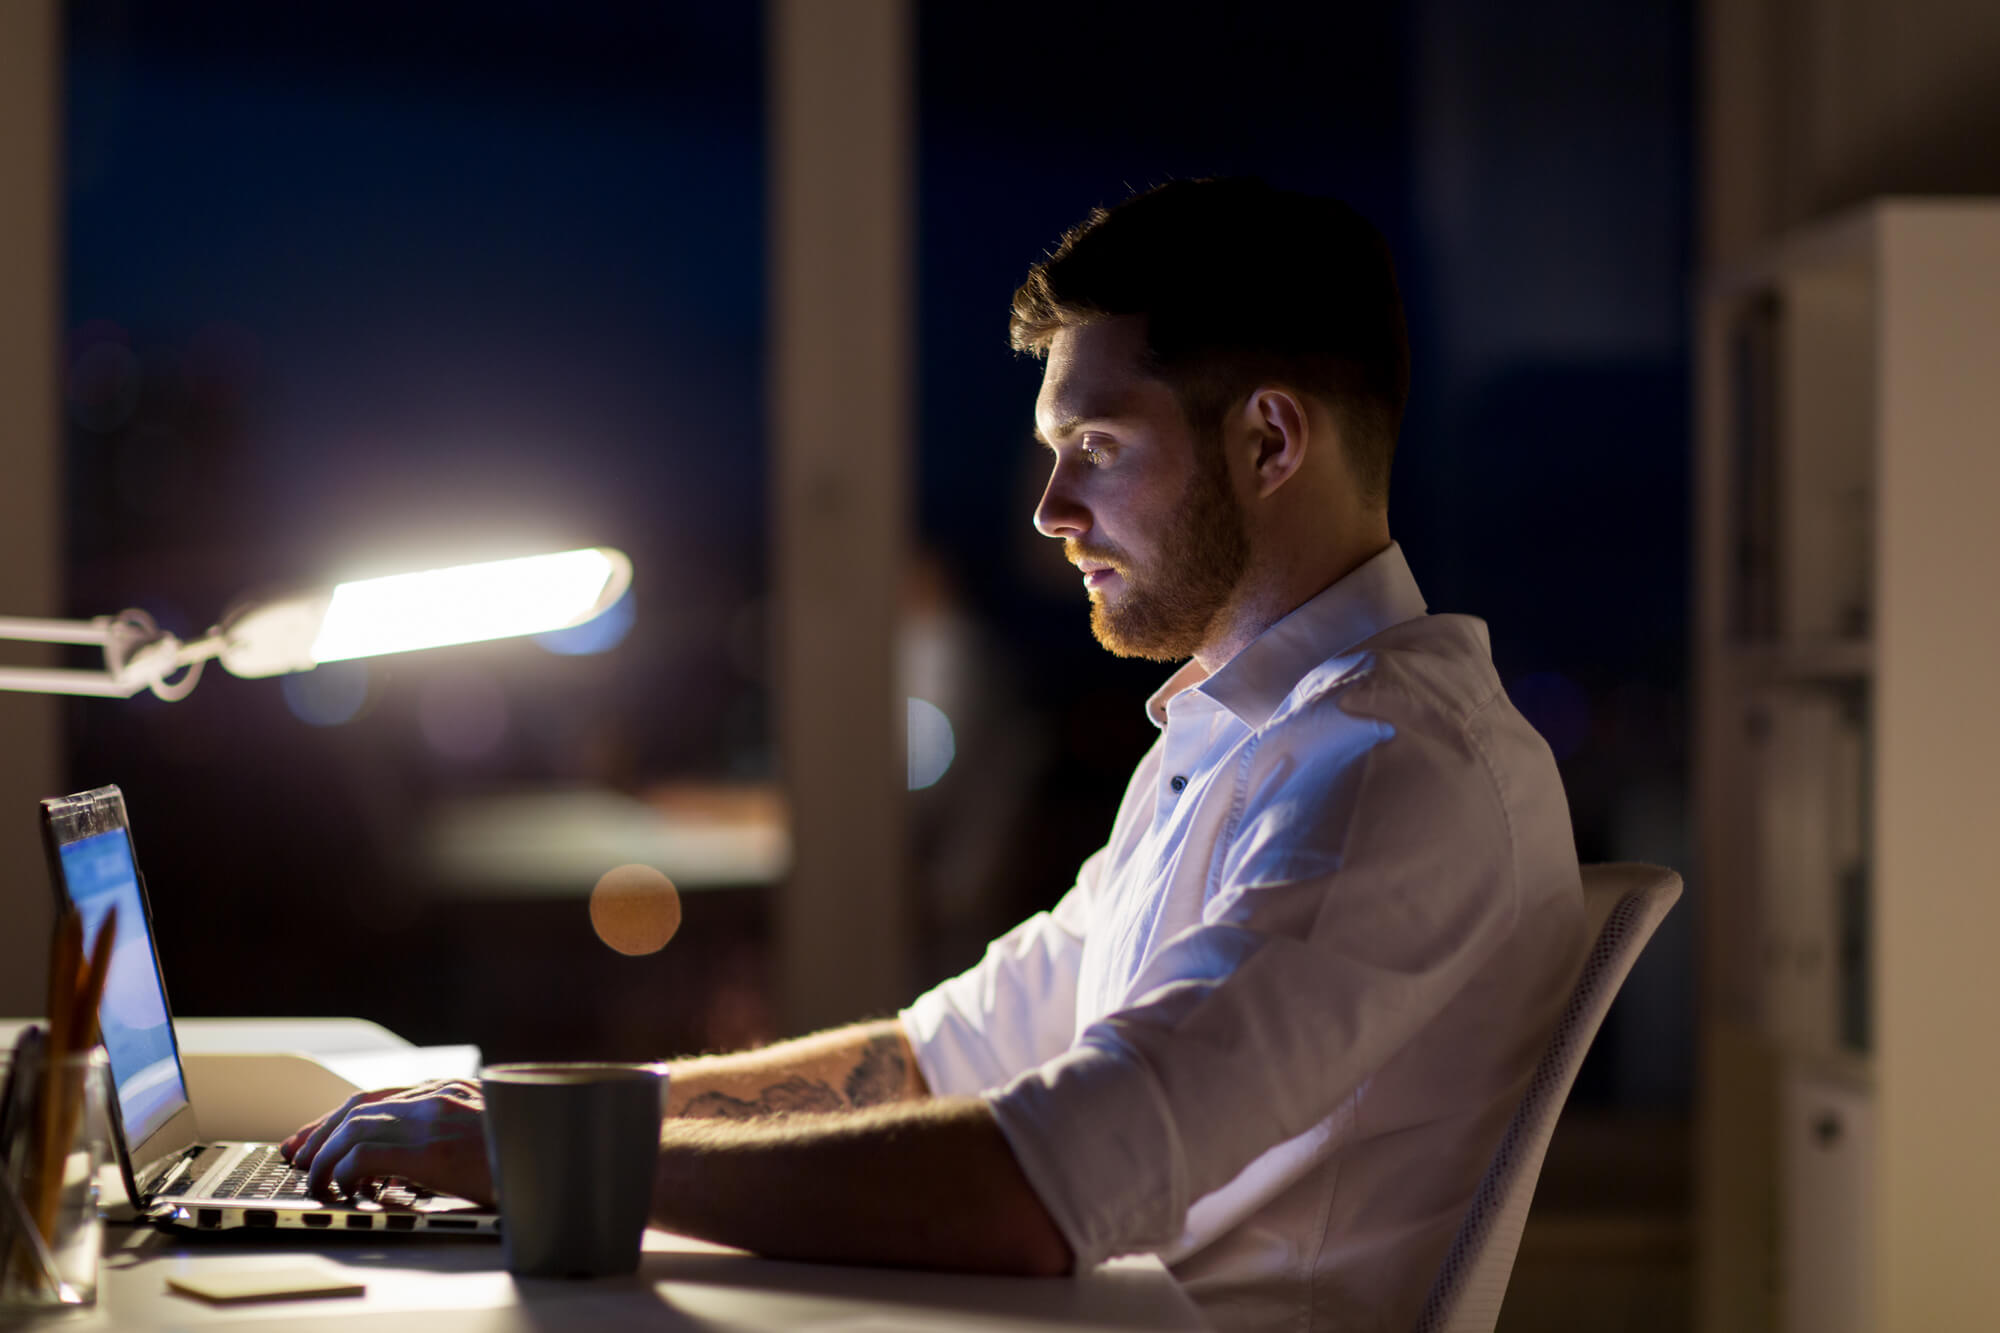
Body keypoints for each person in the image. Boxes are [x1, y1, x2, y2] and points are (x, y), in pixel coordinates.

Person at [283, 178, 1586, 1332]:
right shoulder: (1243, 737)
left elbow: (1037, 1190)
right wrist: (552, 1111)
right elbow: (929, 1059)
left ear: (1270, 441)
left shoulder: (1384, 771)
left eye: (1097, 448)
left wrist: (547, 1158)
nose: (1053, 511)